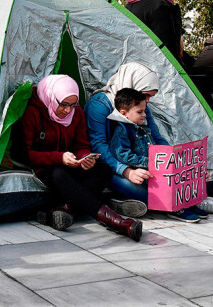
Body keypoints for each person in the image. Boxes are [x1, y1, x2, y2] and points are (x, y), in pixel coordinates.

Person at [18, 74, 142, 241]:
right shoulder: (32, 112)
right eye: (63, 104)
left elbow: (81, 145)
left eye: (73, 104)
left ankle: (62, 210)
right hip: (45, 165)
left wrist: (85, 158)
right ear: (51, 97)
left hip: (70, 162)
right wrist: (59, 158)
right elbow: (22, 153)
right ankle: (117, 221)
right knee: (59, 175)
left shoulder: (76, 113)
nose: (68, 110)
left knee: (103, 170)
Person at [84, 62, 208, 222]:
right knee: (146, 192)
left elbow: (157, 137)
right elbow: (99, 147)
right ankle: (118, 201)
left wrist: (175, 162)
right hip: (111, 167)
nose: (148, 101)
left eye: (150, 96)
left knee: (174, 181)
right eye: (146, 95)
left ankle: (180, 202)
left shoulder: (140, 105)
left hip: (139, 163)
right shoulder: (100, 105)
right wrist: (126, 171)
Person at [107, 88, 205, 222]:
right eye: (140, 112)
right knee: (163, 184)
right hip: (140, 169)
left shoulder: (143, 125)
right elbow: (122, 154)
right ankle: (174, 207)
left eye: (144, 111)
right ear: (124, 113)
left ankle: (186, 202)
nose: (144, 115)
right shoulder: (122, 130)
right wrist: (149, 162)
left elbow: (156, 143)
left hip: (152, 165)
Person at [126, 0, 184, 64]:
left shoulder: (128, 6)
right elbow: (167, 45)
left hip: (134, 66)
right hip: (160, 68)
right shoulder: (160, 5)